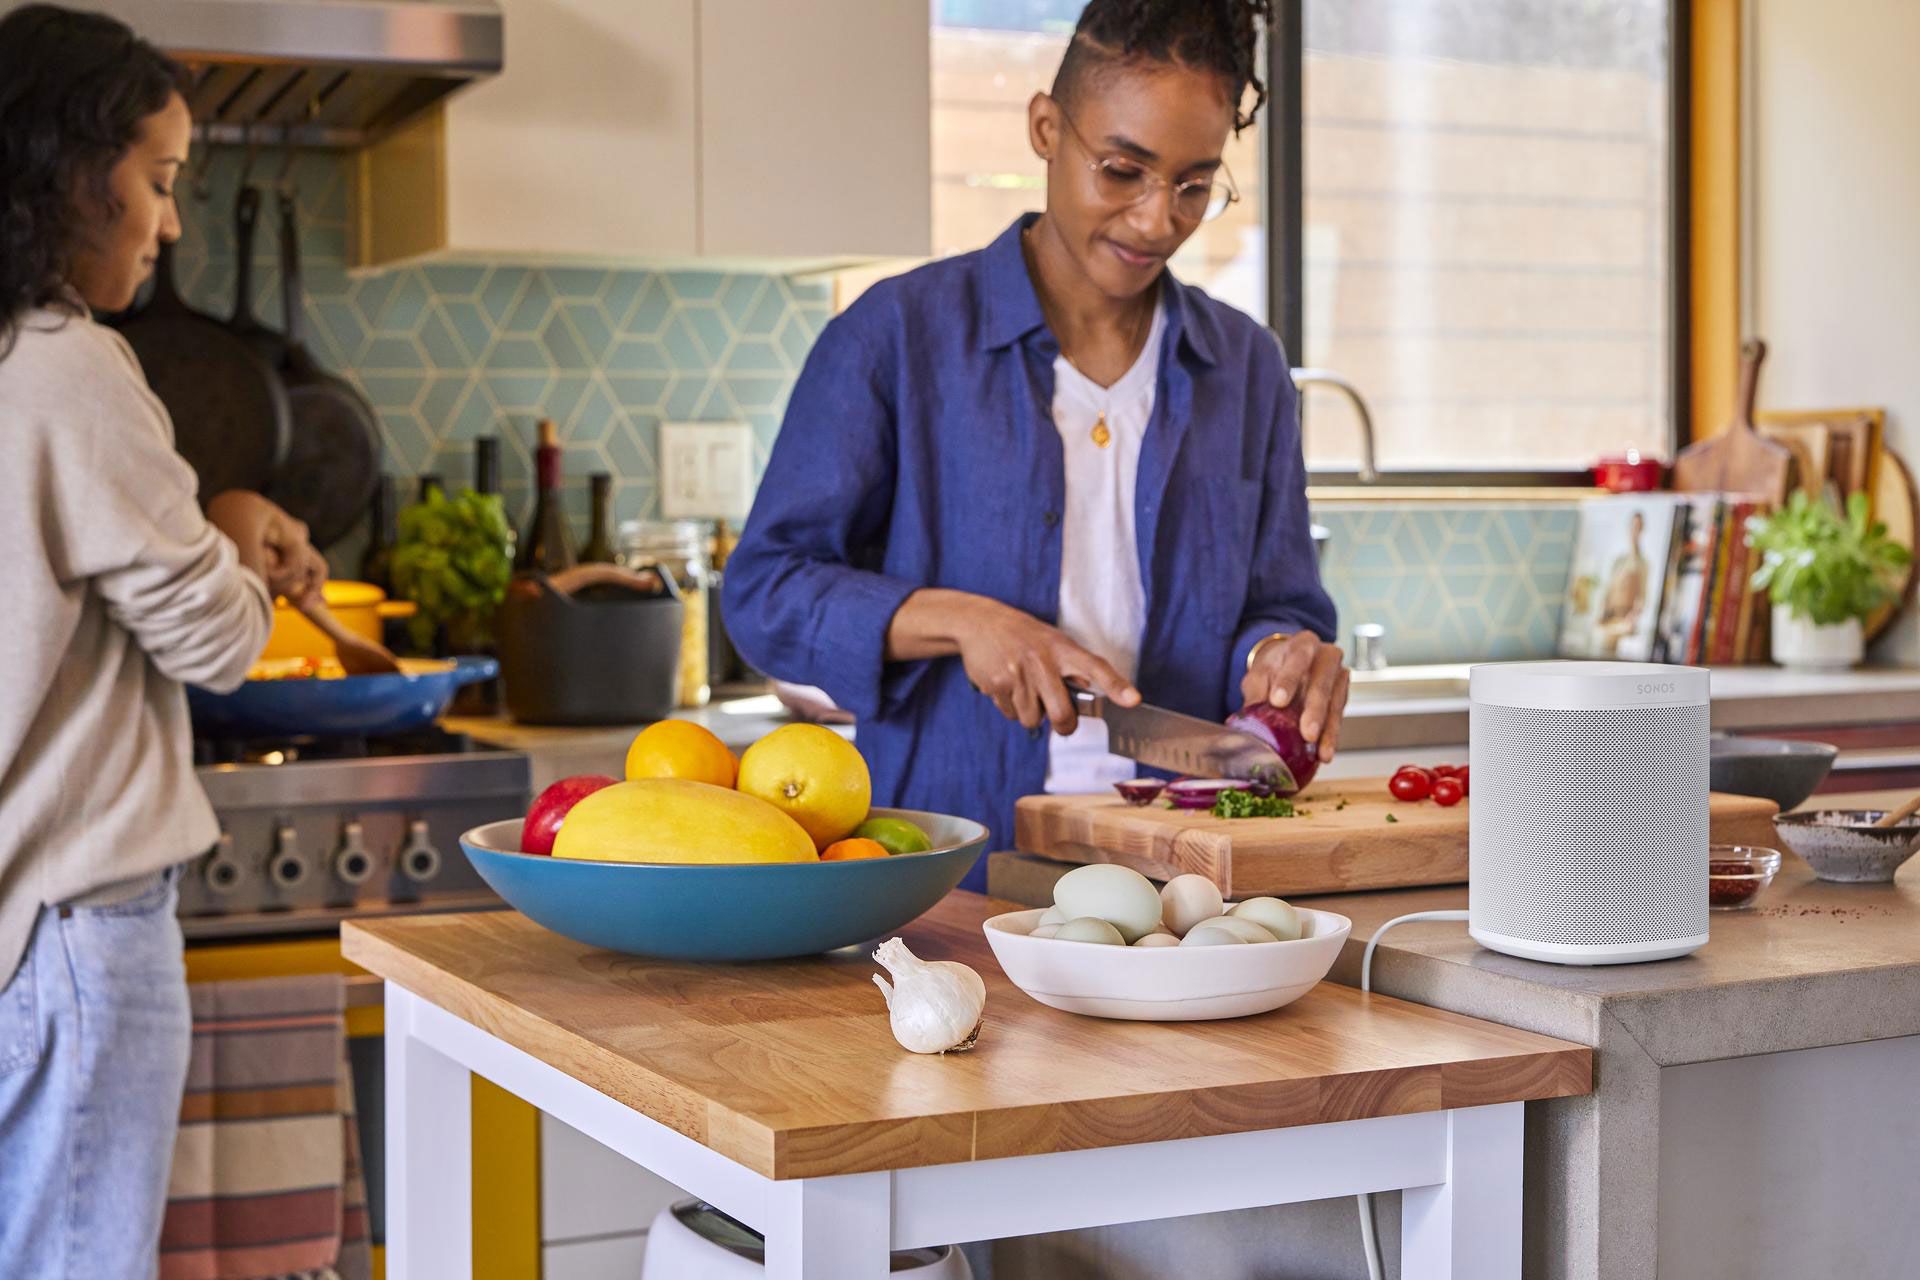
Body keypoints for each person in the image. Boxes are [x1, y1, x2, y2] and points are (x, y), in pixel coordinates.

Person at [725, 0, 1346, 888]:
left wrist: (1280, 657)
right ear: (1046, 129)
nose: (1154, 220)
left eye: (1193, 185)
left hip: (1185, 877)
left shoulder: (1245, 367)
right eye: (1123, 170)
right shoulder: (895, 338)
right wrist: (965, 622)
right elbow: (764, 594)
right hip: (952, 870)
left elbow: (1280, 602)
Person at [0, 6, 328, 1273]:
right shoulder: (68, 367)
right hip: (73, 926)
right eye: (161, 179)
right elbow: (216, 639)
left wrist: (215, 520)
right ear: (77, 175)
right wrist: (237, 532)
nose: (172, 222)